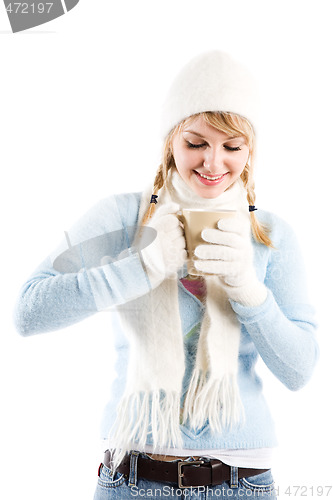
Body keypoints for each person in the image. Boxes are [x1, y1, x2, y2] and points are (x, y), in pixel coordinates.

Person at [14, 51, 318, 499]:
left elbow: (299, 370)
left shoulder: (269, 234)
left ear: (249, 151)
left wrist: (248, 290)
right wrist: (140, 267)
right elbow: (29, 312)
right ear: (170, 141)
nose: (213, 163)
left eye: (232, 147)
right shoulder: (123, 217)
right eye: (196, 143)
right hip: (130, 480)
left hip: (242, 484)